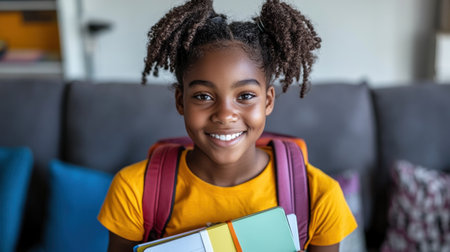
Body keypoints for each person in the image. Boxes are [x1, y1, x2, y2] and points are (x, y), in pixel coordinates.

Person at [98, 0, 357, 251]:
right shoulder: (134, 190)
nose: (224, 114)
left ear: (268, 101)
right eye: (203, 96)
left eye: (245, 96)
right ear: (180, 101)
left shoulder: (319, 196)